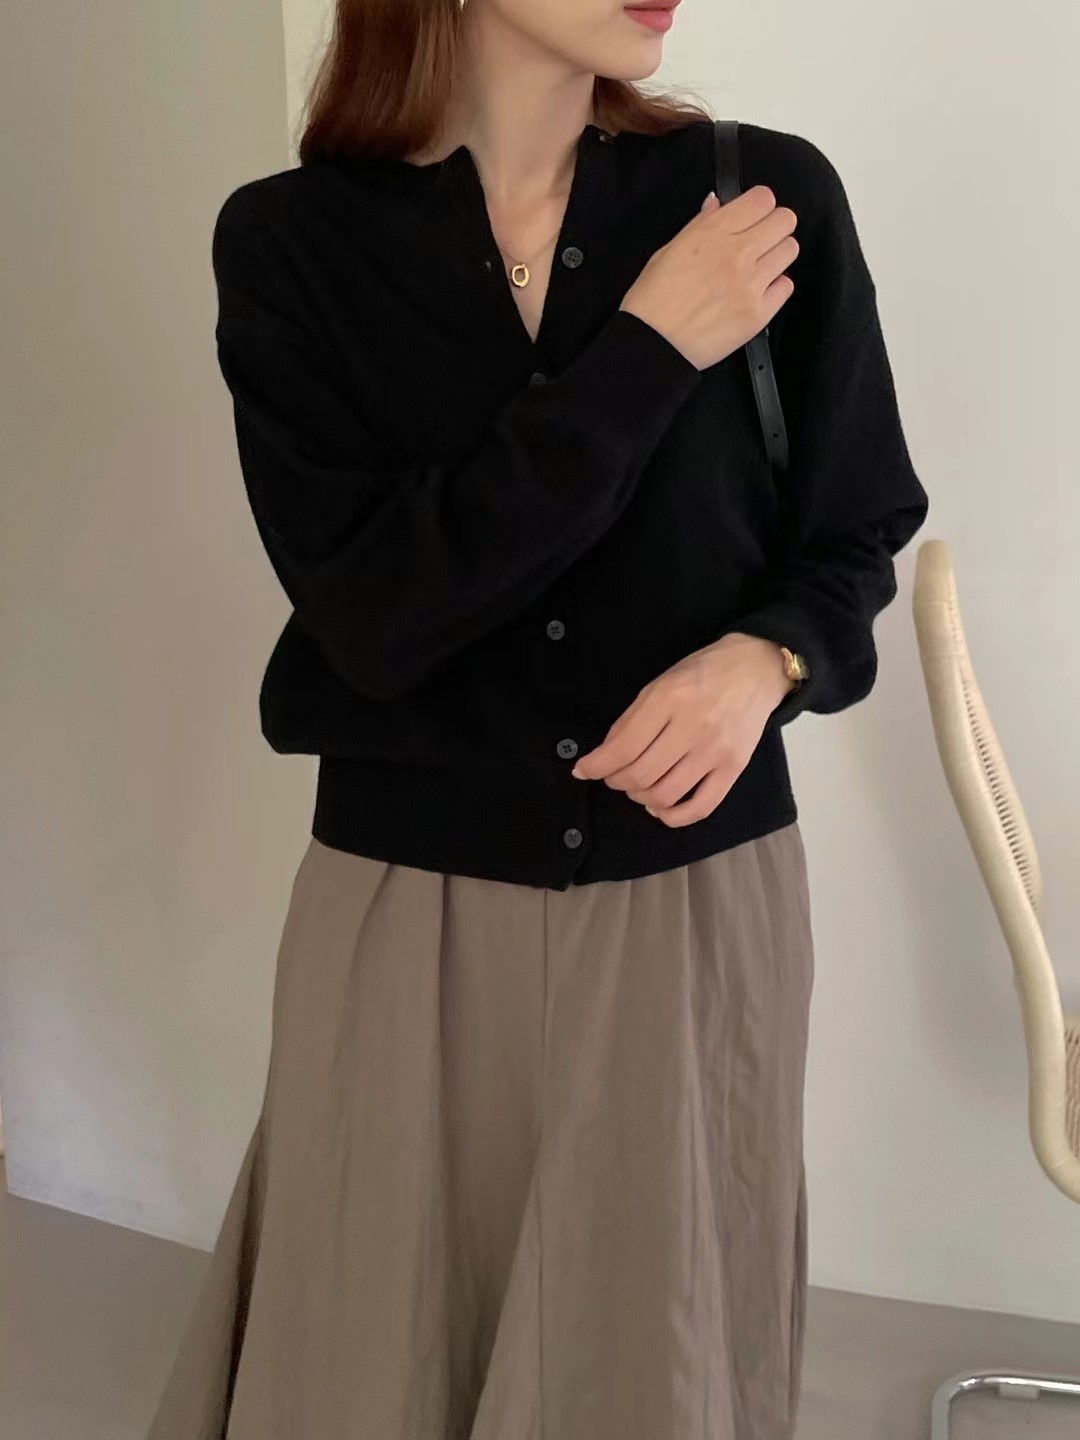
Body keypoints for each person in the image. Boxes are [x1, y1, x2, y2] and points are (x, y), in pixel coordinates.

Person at [147, 0, 928, 1436]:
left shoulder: (762, 200)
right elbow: (377, 614)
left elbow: (859, 522)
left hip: (693, 888)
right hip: (404, 905)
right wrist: (648, 349)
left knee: (653, 1358)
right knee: (370, 1355)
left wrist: (765, 661)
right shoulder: (292, 243)